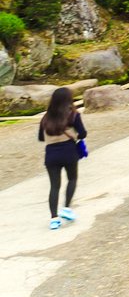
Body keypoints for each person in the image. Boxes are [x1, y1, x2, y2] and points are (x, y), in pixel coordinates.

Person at [39, 86, 87, 230]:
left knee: (54, 186)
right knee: (72, 179)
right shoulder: (73, 115)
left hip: (51, 154)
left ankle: (54, 219)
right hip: (69, 152)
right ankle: (66, 208)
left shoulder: (46, 118)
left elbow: (41, 138)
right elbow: (83, 133)